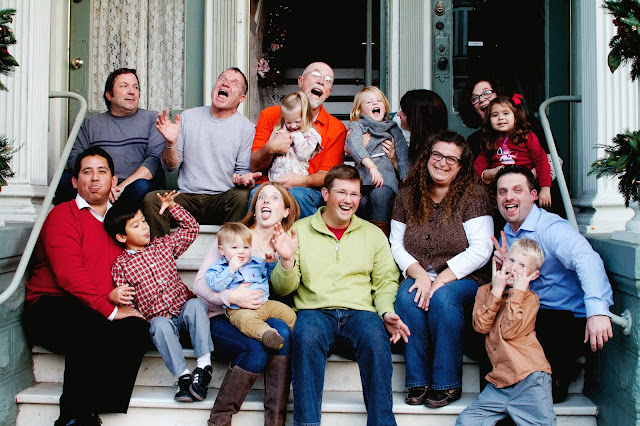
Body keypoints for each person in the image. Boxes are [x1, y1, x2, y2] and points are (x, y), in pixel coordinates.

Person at [270, 164, 411, 426]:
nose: (348, 200)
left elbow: (385, 282)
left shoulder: (373, 234)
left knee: (375, 338)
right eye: (342, 193)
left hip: (360, 313)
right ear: (325, 194)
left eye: (354, 194)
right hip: (314, 311)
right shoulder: (299, 230)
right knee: (305, 336)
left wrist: (386, 311)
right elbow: (282, 289)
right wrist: (287, 261)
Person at [23, 147, 151, 426]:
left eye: (102, 171)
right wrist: (111, 311)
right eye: (86, 172)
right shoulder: (62, 215)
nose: (94, 178)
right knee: (89, 322)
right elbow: (69, 276)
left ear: (114, 180)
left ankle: (97, 405)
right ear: (74, 181)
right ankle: (73, 416)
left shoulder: (121, 223)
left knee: (138, 327)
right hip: (49, 306)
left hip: (97, 306)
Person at [492, 165, 614, 403]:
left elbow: (586, 259)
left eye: (517, 190)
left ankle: (554, 380)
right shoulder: (507, 233)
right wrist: (503, 270)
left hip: (563, 317)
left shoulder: (550, 228)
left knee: (545, 392)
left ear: (533, 195)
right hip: (530, 313)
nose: (509, 197)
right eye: (502, 191)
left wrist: (597, 311)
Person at [392, 131, 494, 408]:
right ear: (427, 157)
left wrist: (440, 280)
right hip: (419, 272)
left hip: (465, 276)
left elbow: (482, 249)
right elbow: (396, 243)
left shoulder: (474, 195)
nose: (442, 162)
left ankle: (446, 382)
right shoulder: (407, 194)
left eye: (452, 159)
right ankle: (417, 380)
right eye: (437, 155)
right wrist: (420, 275)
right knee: (407, 297)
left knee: (444, 299)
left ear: (461, 166)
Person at [193, 182, 300, 426]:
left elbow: (284, 289)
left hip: (260, 313)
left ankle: (275, 421)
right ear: (254, 206)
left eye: (274, 197)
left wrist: (285, 260)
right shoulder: (234, 236)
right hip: (223, 316)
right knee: (256, 349)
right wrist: (230, 297)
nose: (266, 200)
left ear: (285, 211)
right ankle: (219, 420)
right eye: (261, 197)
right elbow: (199, 284)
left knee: (282, 332)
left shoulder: (284, 242)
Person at [104, 191, 214, 403]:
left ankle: (203, 367)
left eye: (144, 221)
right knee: (159, 324)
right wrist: (114, 297)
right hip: (161, 326)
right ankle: (183, 377)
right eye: (136, 226)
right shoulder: (121, 266)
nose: (145, 227)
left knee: (195, 304)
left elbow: (191, 228)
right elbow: (129, 304)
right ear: (122, 237)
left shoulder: (162, 246)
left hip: (184, 318)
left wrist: (172, 207)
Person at [144, 67, 260, 238]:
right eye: (222, 79)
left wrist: (244, 180)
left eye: (234, 83)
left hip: (221, 200)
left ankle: (230, 248)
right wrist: (170, 143)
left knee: (242, 196)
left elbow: (243, 173)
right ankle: (162, 252)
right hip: (186, 199)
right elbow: (170, 167)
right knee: (152, 200)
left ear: (241, 98)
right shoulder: (188, 117)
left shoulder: (246, 128)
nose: (226, 84)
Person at [457, 238, 556, 426]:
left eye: (522, 266)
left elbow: (509, 331)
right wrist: (496, 291)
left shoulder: (530, 299)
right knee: (467, 421)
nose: (514, 268)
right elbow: (481, 326)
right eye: (511, 260)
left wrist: (517, 293)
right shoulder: (485, 291)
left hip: (530, 379)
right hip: (500, 383)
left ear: (533, 275)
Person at [250, 62, 347, 218]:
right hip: (269, 183)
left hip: (309, 190)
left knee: (297, 194)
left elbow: (329, 176)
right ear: (300, 81)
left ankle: (308, 234)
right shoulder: (269, 115)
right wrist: (270, 149)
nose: (321, 81)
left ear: (329, 92)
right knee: (260, 195)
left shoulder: (337, 128)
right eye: (316, 75)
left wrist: (304, 180)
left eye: (327, 80)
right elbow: (255, 166)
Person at [55, 68, 165, 205]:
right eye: (124, 86)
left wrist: (121, 187)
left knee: (142, 186)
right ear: (109, 95)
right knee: (61, 179)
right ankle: (101, 208)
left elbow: (154, 161)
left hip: (131, 187)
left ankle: (103, 211)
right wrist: (100, 184)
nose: (132, 91)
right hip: (97, 186)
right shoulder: (90, 124)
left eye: (136, 87)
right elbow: (74, 161)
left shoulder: (152, 119)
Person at [206, 222, 297, 350]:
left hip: (265, 304)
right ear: (221, 250)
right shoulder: (218, 268)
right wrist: (230, 270)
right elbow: (216, 286)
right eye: (234, 247)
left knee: (289, 314)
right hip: (239, 310)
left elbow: (271, 278)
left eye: (246, 247)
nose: (241, 252)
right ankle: (267, 335)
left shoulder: (257, 262)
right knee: (246, 322)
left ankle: (292, 342)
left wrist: (271, 263)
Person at [346, 86, 410, 230]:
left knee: (379, 195)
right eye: (369, 102)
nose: (375, 103)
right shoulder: (358, 126)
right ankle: (359, 235)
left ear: (384, 106)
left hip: (386, 179)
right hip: (363, 179)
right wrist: (372, 167)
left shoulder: (393, 128)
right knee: (360, 201)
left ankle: (380, 236)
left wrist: (406, 179)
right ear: (360, 110)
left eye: (378, 100)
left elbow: (403, 155)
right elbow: (354, 145)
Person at [475, 95, 552, 208]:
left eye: (506, 113)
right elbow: (478, 166)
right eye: (495, 115)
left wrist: (545, 188)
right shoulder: (490, 140)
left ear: (515, 117)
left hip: (524, 185)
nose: (500, 118)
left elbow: (541, 161)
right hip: (500, 188)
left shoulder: (526, 136)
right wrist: (484, 176)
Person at [267, 91, 322, 181]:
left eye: (297, 122)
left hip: (297, 179)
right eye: (288, 122)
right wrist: (275, 140)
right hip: (276, 179)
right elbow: (270, 153)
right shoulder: (279, 130)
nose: (293, 126)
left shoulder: (311, 134)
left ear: (306, 117)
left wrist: (296, 136)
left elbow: (303, 155)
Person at [393, 89, 448, 164]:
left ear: (417, 120)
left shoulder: (437, 153)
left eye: (404, 114)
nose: (398, 114)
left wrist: (395, 161)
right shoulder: (414, 140)